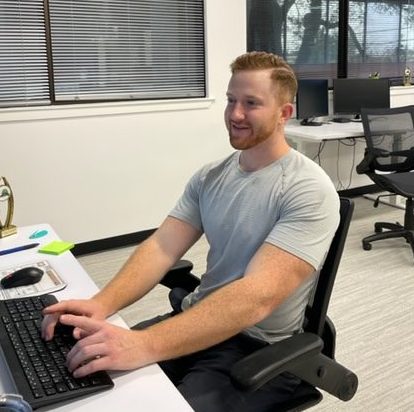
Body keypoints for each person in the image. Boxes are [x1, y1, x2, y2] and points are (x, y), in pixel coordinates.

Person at [42, 51, 340, 412]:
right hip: (196, 319)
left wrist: (144, 344)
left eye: (251, 103)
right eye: (231, 100)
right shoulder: (210, 175)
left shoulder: (308, 189)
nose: (235, 114)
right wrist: (100, 305)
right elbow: (162, 248)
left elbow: (256, 297)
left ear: (284, 114)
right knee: (80, 373)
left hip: (256, 348)